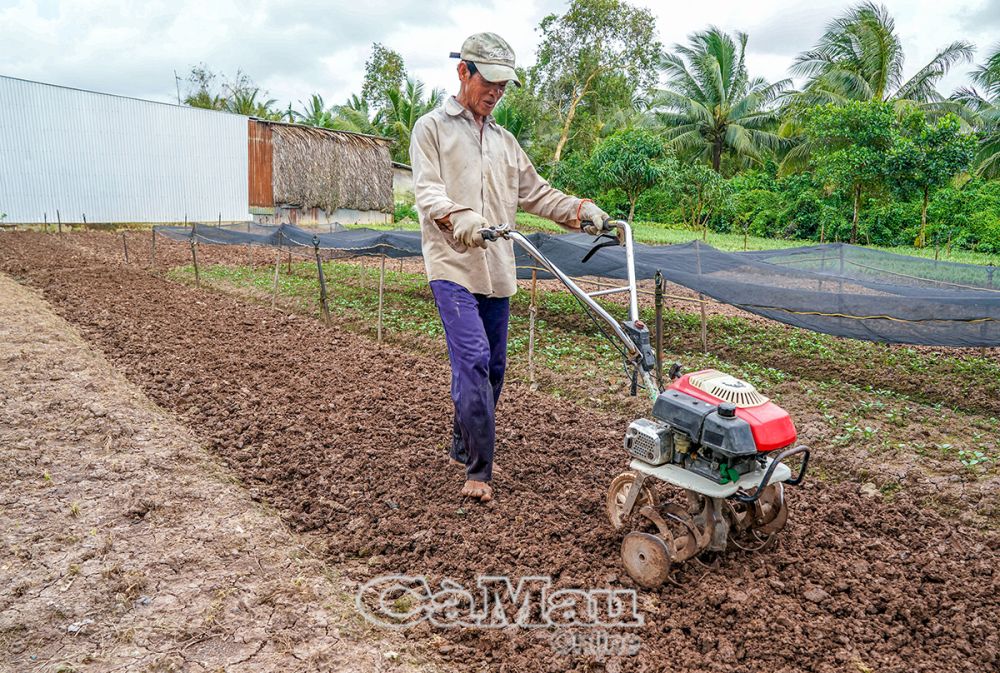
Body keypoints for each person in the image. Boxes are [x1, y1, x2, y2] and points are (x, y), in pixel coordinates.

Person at [410, 32, 610, 503]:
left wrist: (581, 210)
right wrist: (463, 220)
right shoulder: (432, 128)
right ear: (465, 72)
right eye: (491, 82)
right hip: (453, 265)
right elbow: (428, 194)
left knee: (494, 368)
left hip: (497, 270)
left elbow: (537, 193)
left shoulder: (504, 140)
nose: (497, 92)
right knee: (474, 360)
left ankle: (464, 441)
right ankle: (479, 470)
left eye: (505, 85)